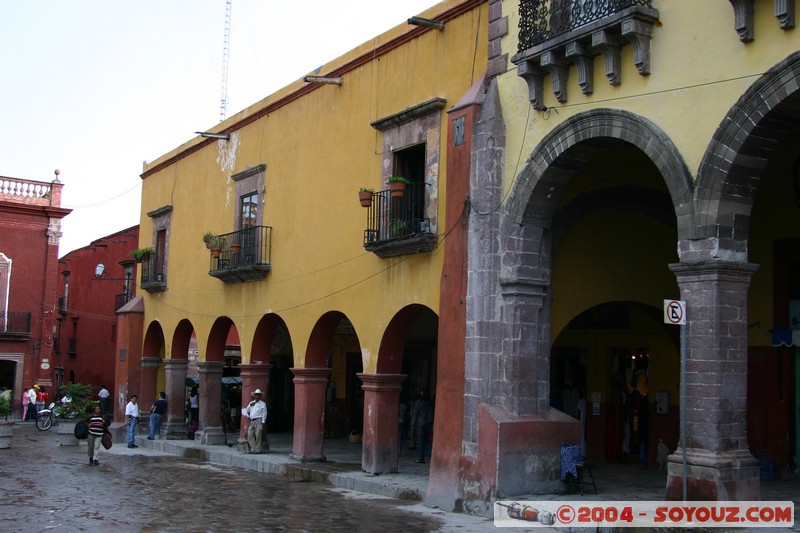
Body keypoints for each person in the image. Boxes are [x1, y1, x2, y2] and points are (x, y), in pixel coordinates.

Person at [411, 389, 433, 464]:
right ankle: (432, 456)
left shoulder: (420, 402)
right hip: (429, 423)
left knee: (421, 442)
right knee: (427, 441)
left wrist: (413, 424)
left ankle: (421, 458)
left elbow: (415, 413)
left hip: (422, 423)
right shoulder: (430, 402)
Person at [243, 389, 267, 454]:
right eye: (256, 395)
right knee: (250, 434)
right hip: (252, 420)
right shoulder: (251, 403)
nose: (257, 396)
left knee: (258, 435)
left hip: (258, 420)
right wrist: (250, 406)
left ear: (260, 396)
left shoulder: (263, 404)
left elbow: (264, 413)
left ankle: (257, 449)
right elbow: (247, 411)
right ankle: (253, 448)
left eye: (259, 395)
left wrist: (263, 421)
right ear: (254, 396)